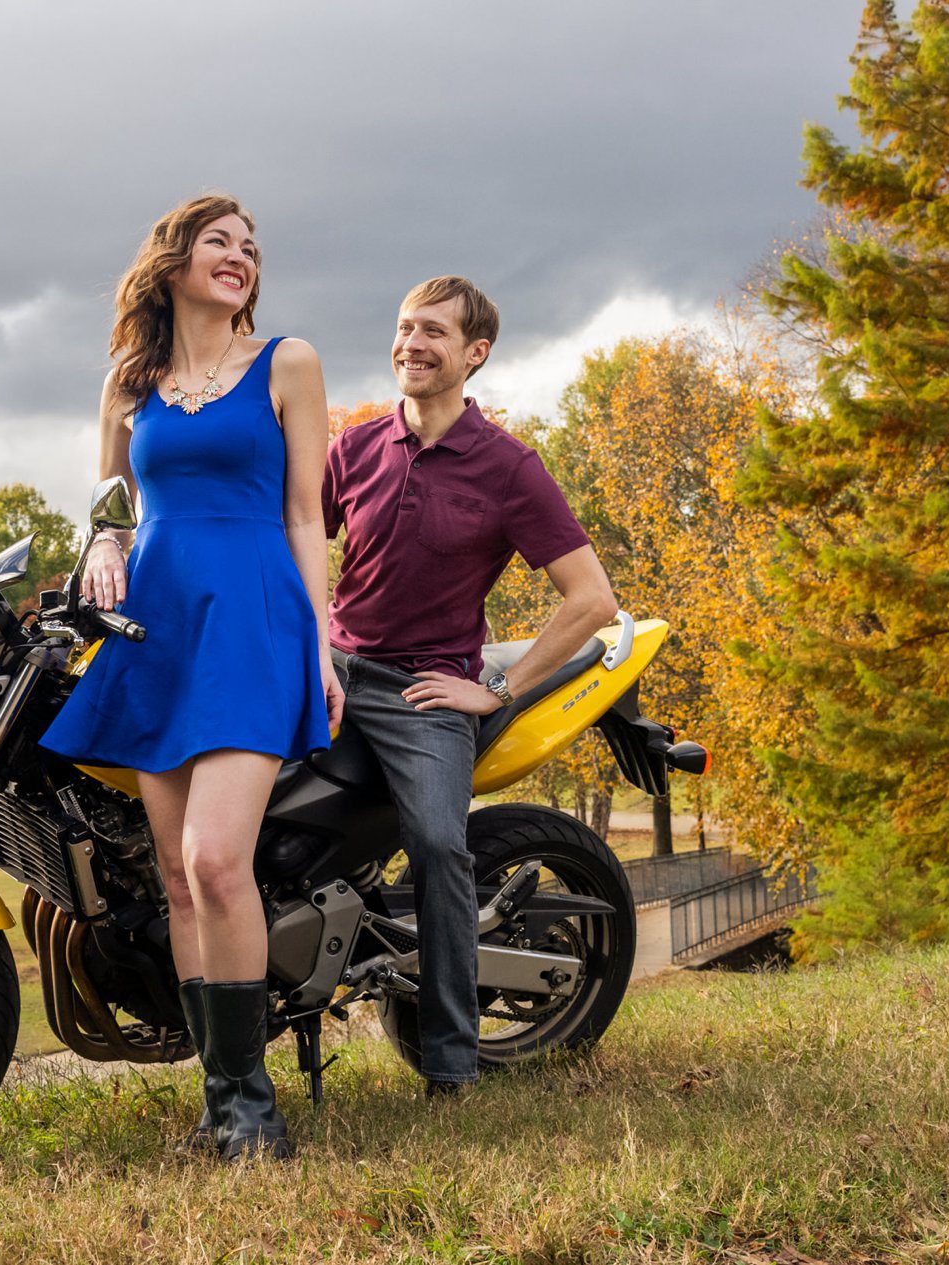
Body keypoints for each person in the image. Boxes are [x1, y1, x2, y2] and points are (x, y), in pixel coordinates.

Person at [38, 194, 342, 1160]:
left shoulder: (288, 362)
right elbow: (109, 502)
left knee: (218, 859)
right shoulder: (131, 380)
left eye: (251, 248)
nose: (241, 257)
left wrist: (321, 640)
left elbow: (306, 516)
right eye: (220, 242)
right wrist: (103, 543)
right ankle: (218, 1104)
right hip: (156, 623)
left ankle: (255, 1105)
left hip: (252, 617)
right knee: (175, 876)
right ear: (173, 263)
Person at [322, 275, 616, 1096]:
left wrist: (499, 687)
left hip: (428, 693)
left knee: (441, 848)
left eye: (434, 333)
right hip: (335, 673)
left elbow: (592, 598)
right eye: (404, 326)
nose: (411, 344)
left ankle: (450, 1062)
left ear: (473, 353)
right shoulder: (353, 446)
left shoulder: (508, 466)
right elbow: (297, 546)